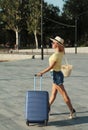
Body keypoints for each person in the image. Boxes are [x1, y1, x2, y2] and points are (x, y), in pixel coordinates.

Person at [36, 36, 76, 119]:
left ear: (57, 44)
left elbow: (51, 67)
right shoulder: (61, 52)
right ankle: (47, 108)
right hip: (57, 74)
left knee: (64, 95)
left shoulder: (56, 55)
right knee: (53, 94)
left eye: (53, 43)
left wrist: (41, 72)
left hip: (56, 75)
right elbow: (62, 48)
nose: (52, 44)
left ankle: (72, 111)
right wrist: (61, 45)